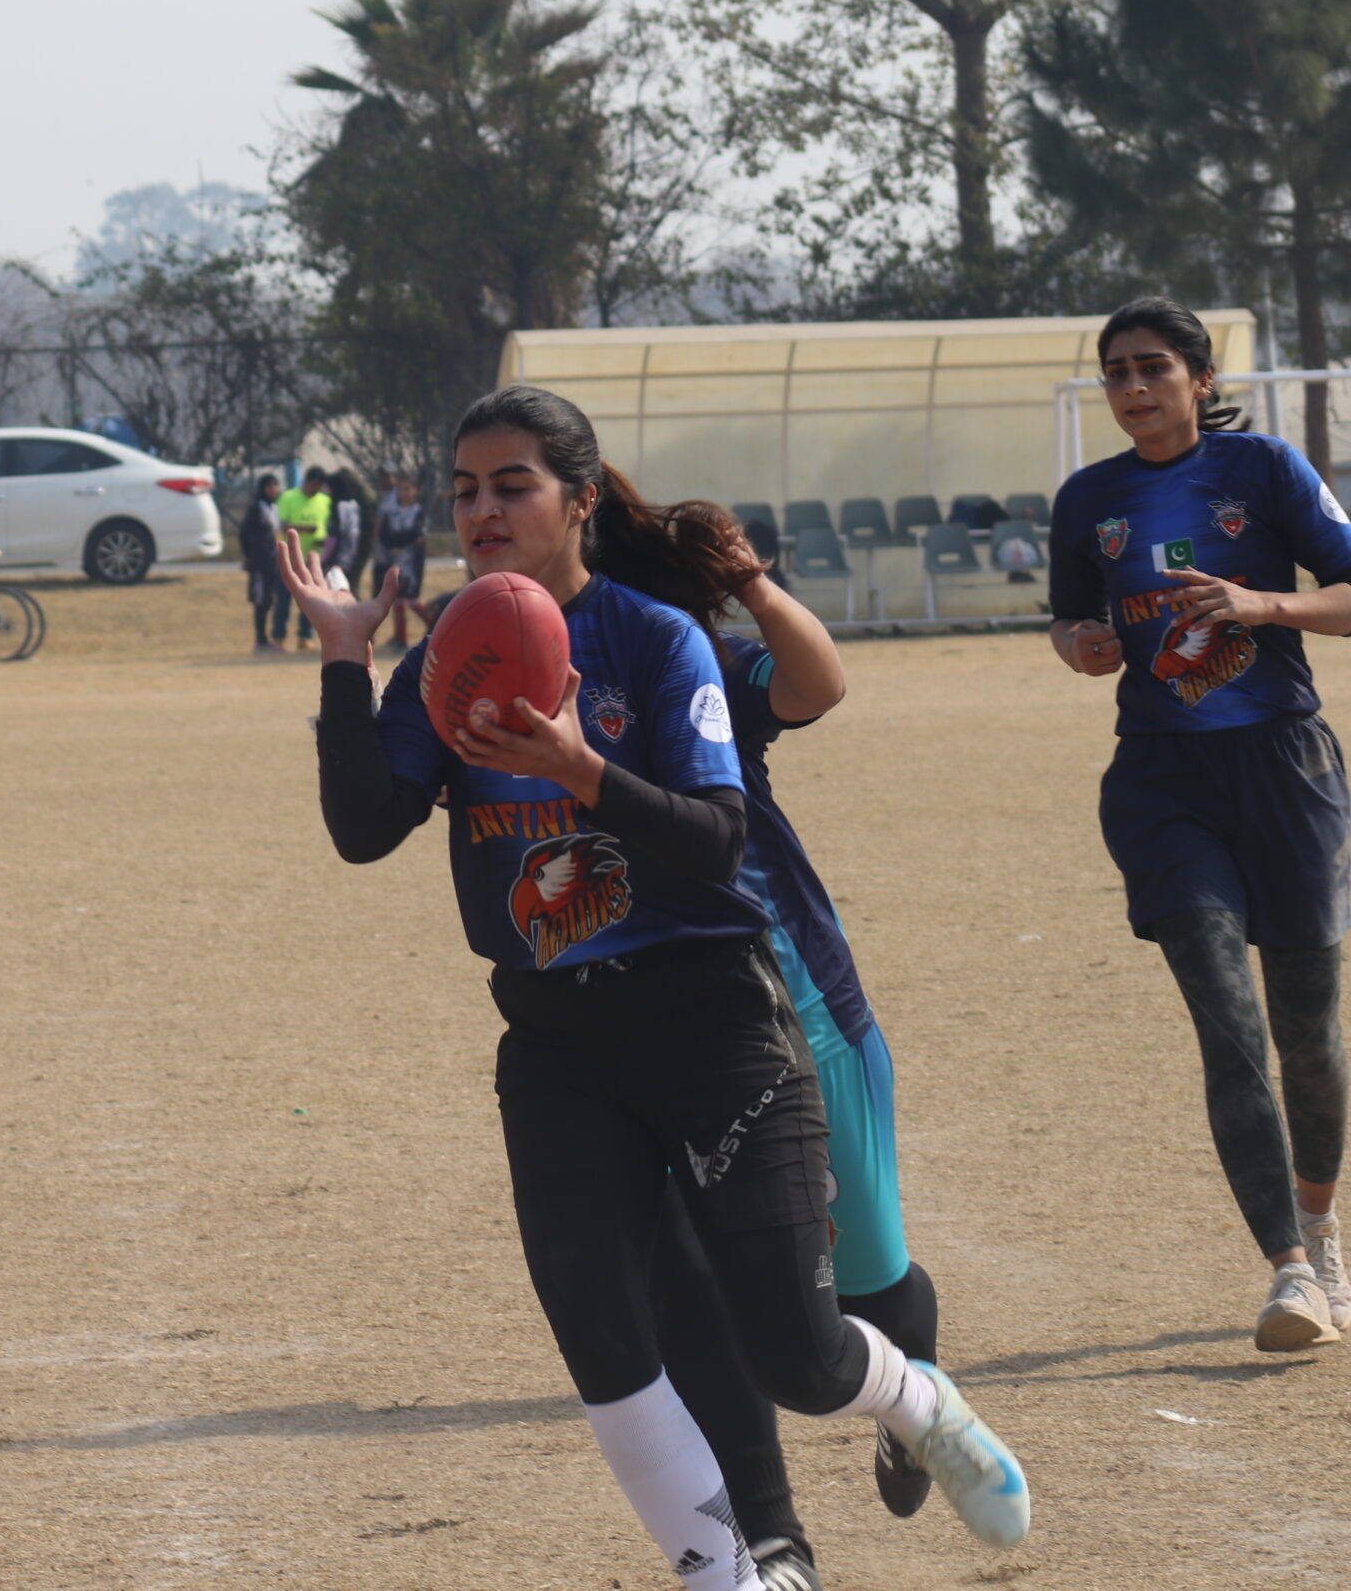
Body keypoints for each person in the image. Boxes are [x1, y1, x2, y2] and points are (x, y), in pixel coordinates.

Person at [284, 384, 1028, 1590]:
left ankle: (915, 1399)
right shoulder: (447, 658)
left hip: (711, 1021)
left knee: (795, 1357)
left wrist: (578, 767)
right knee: (607, 1340)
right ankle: (732, 1573)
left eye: (512, 485)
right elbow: (365, 829)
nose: (481, 511)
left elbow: (715, 840)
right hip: (555, 1043)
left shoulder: (653, 639)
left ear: (580, 500)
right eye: (464, 490)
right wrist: (339, 660)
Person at [623, 547, 945, 1588]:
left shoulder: (689, 659)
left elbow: (816, 683)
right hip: (651, 1027)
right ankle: (770, 1544)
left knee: (871, 1280)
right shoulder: (535, 671)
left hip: (795, 1007)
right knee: (697, 1292)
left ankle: (912, 1399)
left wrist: (754, 584)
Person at [1049, 295, 1351, 1349]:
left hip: (1284, 767)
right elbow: (1072, 619)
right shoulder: (1087, 499)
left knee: (1308, 1033)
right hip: (1162, 782)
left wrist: (1263, 605)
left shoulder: (1264, 470)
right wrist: (1081, 644)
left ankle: (1321, 1226)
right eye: (1117, 372)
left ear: (1200, 380)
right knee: (1229, 1026)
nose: (1133, 387)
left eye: (1153, 368)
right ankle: (1288, 1274)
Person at [274, 468, 334, 649]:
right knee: (283, 600)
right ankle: (279, 637)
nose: (316, 489)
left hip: (314, 559)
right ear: (306, 482)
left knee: (311, 600)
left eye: (319, 486)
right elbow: (282, 525)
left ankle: (305, 636)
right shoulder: (288, 497)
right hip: (290, 559)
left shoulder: (325, 501)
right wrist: (304, 529)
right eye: (314, 485)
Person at [372, 475, 433, 647]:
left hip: (412, 563)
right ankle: (401, 638)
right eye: (400, 489)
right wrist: (405, 538)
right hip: (395, 561)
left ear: (415, 491)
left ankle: (435, 626)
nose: (403, 493)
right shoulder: (391, 513)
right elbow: (385, 537)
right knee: (398, 601)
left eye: (407, 489)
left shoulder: (418, 512)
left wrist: (399, 538)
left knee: (412, 600)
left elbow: (418, 535)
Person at [239, 473, 289, 653]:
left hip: (272, 562)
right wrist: (248, 555)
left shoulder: (273, 508)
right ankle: (260, 641)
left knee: (269, 600)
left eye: (275, 485)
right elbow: (244, 533)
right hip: (260, 563)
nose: (273, 489)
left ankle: (266, 640)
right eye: (269, 486)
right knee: (260, 601)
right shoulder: (257, 507)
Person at [323, 469, 368, 593]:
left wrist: (332, 557)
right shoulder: (354, 505)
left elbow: (342, 534)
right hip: (348, 556)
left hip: (340, 557)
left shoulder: (341, 506)